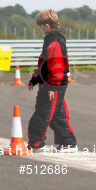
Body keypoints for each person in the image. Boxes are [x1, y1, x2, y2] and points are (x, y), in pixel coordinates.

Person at [27, 8, 77, 153]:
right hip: (53, 82)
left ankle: (36, 143)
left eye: (41, 26)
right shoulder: (52, 39)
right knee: (57, 114)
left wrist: (51, 86)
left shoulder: (54, 40)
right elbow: (44, 63)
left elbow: (55, 65)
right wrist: (35, 78)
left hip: (54, 83)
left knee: (42, 113)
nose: (40, 28)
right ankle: (68, 142)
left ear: (47, 25)